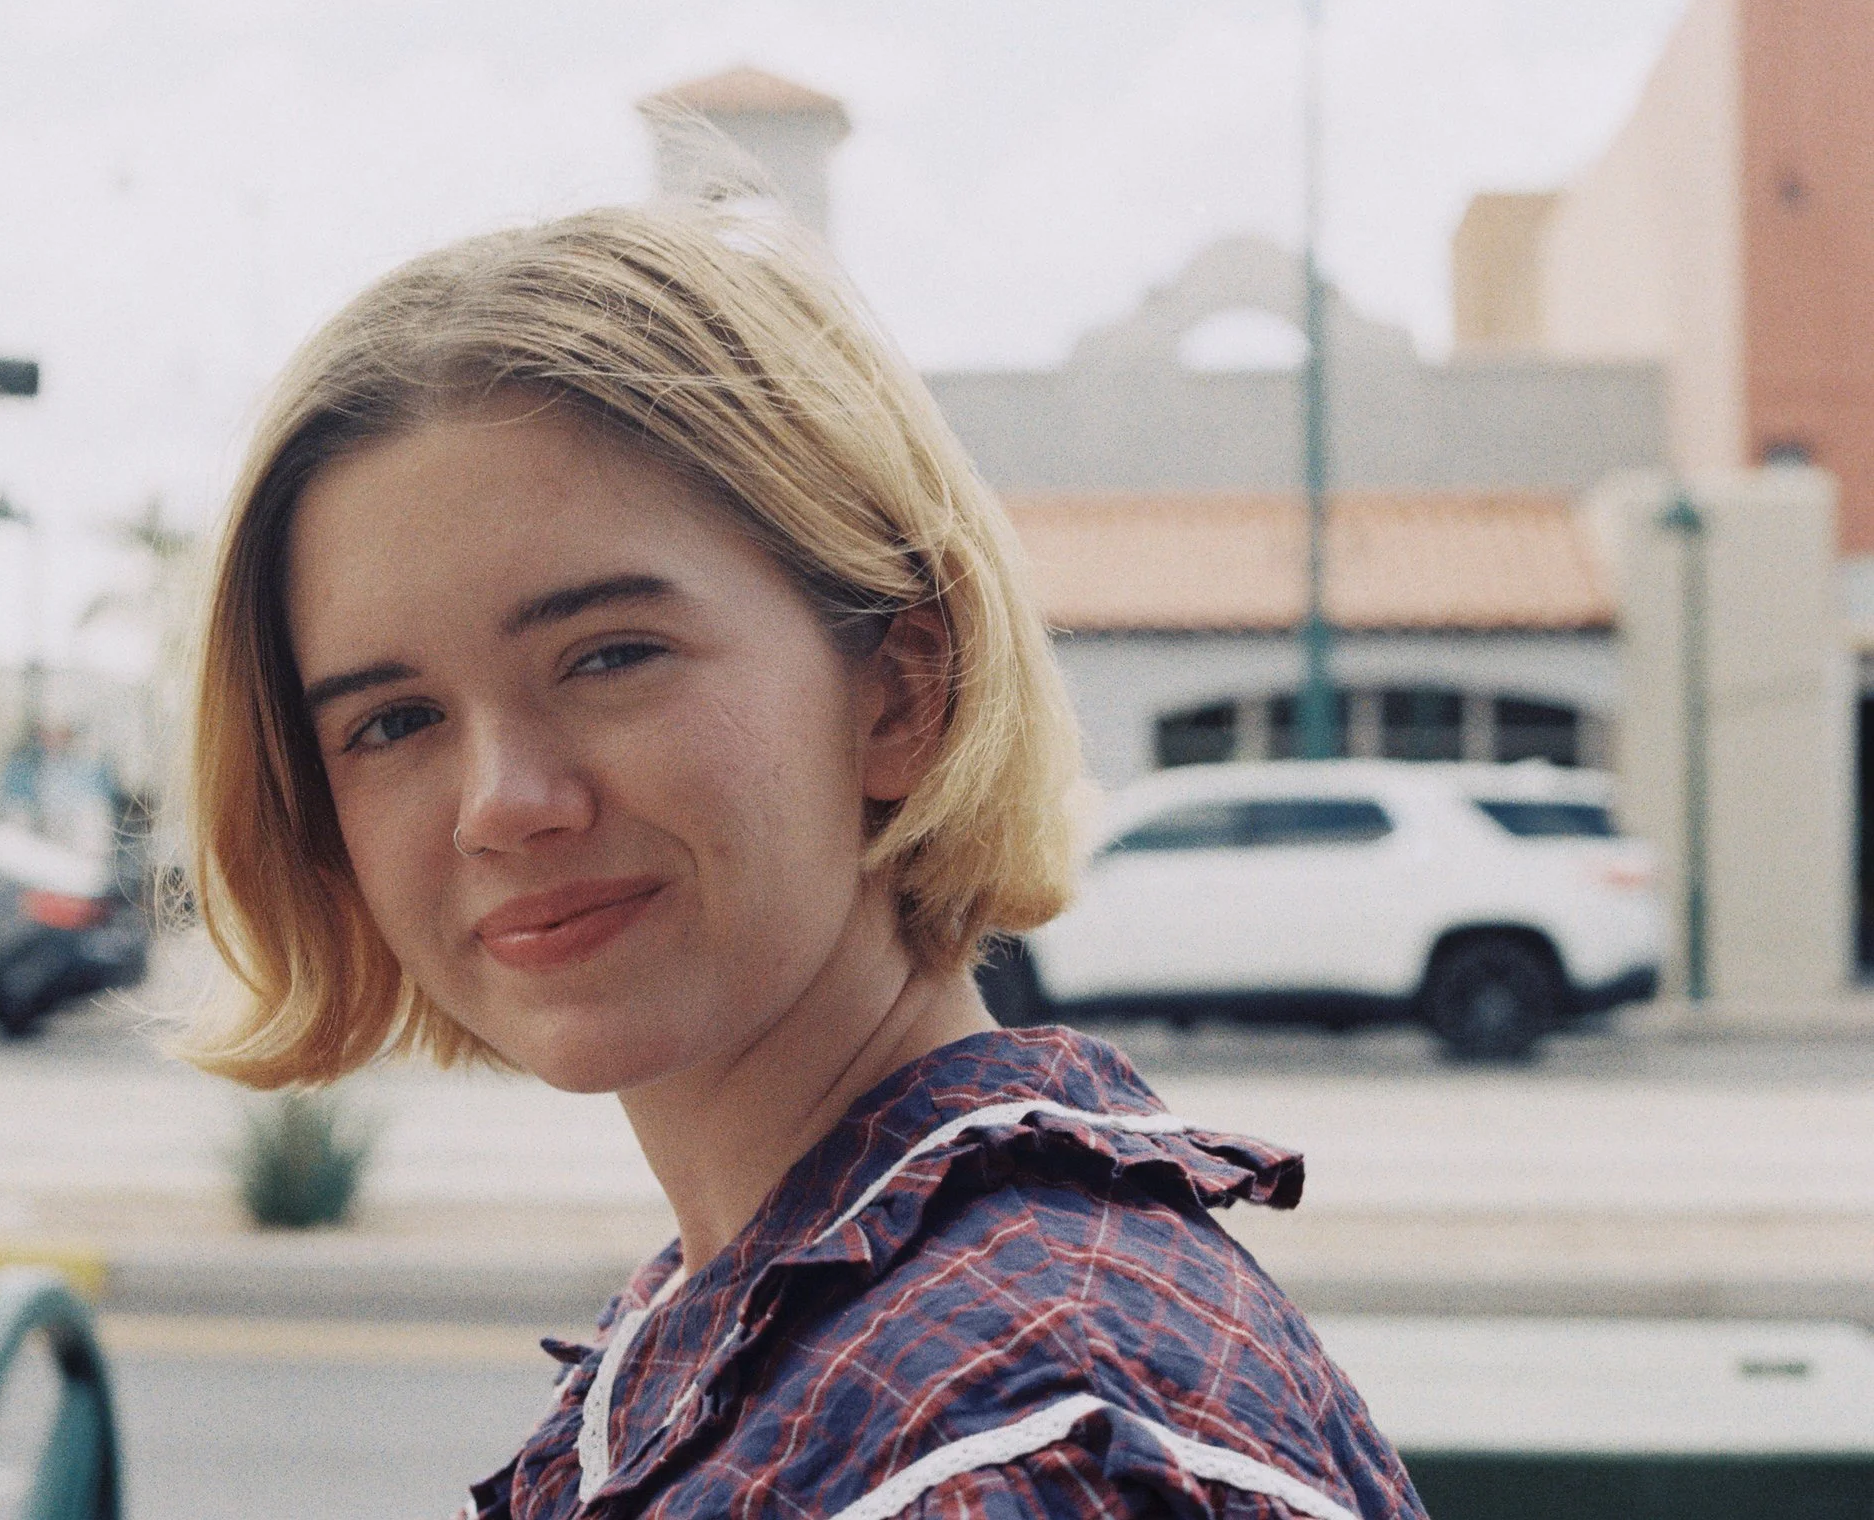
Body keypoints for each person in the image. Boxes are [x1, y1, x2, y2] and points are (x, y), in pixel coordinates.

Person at [178, 206, 1424, 1519]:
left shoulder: (1016, 1450)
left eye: (609, 656)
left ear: (898, 688)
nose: (502, 804)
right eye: (393, 722)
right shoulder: (771, 1307)